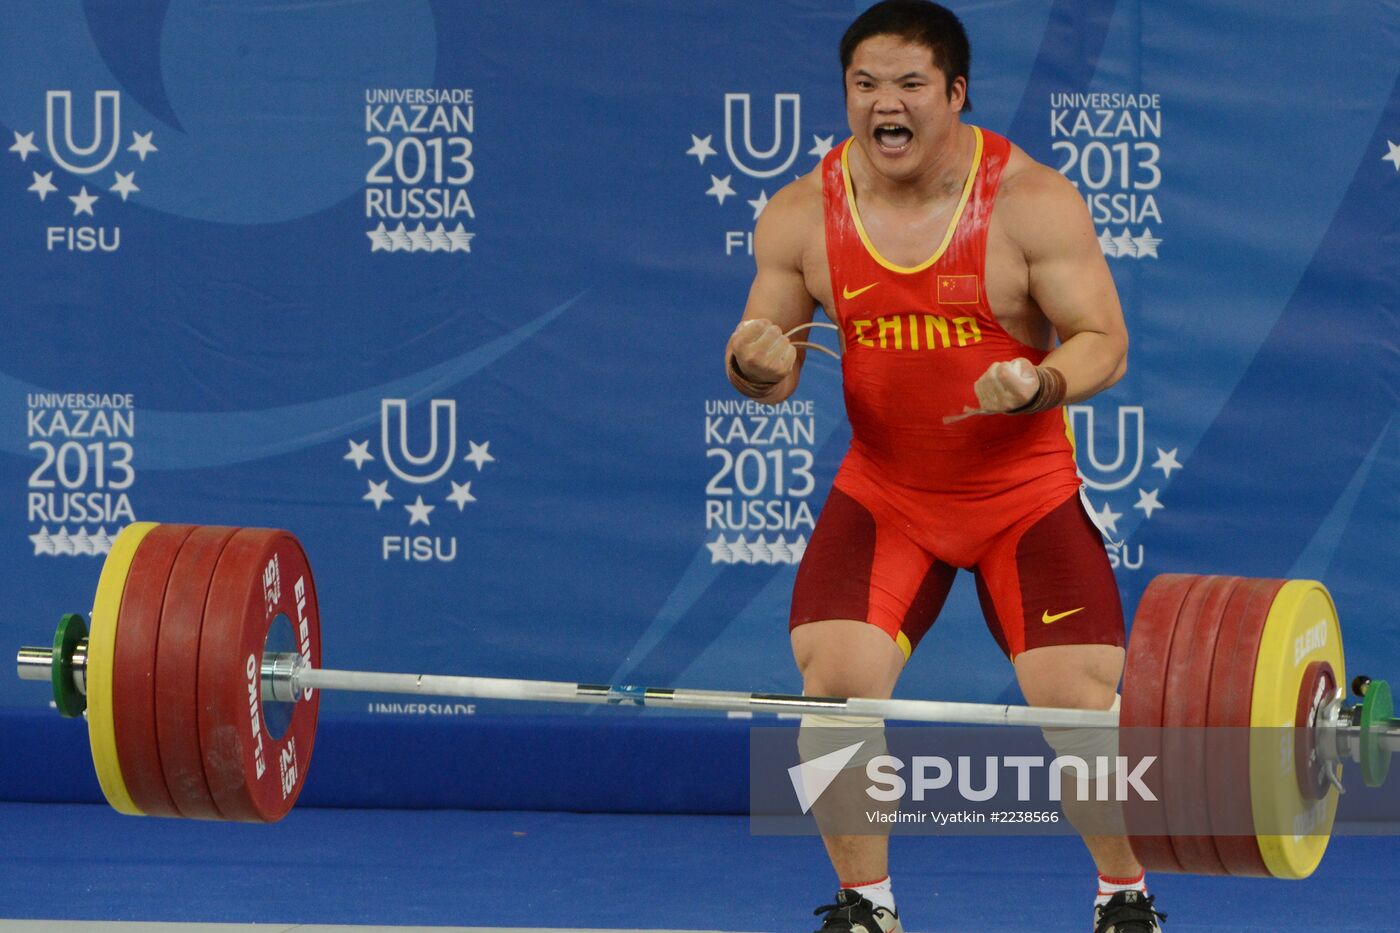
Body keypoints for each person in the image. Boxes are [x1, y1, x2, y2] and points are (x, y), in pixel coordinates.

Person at [724, 3, 1164, 931]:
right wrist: (753, 368)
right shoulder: (802, 214)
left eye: (910, 85)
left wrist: (1041, 382)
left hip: (1023, 498)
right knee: (833, 690)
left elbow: (1106, 343)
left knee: (1078, 703)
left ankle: (1125, 896)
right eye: (865, 85)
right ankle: (866, 906)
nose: (885, 104)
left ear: (955, 94)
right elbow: (769, 361)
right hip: (888, 496)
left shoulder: (1030, 201)